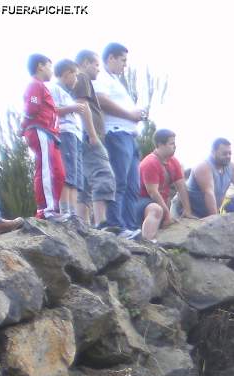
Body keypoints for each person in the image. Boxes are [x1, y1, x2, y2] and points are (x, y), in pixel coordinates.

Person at [93, 42, 146, 238]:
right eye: (122, 60)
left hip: (129, 136)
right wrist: (130, 115)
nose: (125, 65)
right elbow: (101, 100)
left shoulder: (115, 81)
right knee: (119, 181)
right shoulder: (102, 77)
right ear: (111, 58)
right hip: (116, 134)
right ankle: (116, 225)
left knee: (133, 186)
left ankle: (130, 226)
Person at [72, 49, 118, 228]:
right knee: (103, 175)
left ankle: (82, 225)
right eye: (96, 64)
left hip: (80, 137)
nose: (99, 69)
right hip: (89, 136)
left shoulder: (78, 80)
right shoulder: (82, 77)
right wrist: (92, 134)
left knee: (84, 183)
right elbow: (82, 104)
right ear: (85, 63)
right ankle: (101, 222)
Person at [21, 54, 65, 220]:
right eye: (49, 66)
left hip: (50, 134)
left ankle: (52, 207)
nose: (51, 71)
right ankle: (46, 210)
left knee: (58, 172)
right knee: (46, 169)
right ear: (40, 66)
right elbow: (31, 108)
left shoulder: (41, 86)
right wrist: (24, 125)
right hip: (40, 130)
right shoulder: (35, 85)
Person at [47, 59, 88, 216]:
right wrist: (72, 108)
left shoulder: (68, 94)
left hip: (75, 135)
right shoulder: (54, 89)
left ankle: (73, 211)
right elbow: (52, 110)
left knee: (76, 176)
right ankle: (65, 209)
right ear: (66, 74)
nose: (76, 80)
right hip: (65, 133)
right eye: (75, 76)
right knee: (68, 173)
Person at [186, 138, 234, 218]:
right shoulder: (203, 167)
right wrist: (215, 219)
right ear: (213, 152)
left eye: (230, 153)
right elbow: (209, 193)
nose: (228, 156)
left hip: (210, 213)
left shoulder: (232, 167)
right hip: (192, 215)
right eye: (224, 153)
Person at [137, 128, 192, 239]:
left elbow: (181, 187)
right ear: (160, 145)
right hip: (140, 203)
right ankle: (147, 243)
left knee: (160, 209)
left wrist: (187, 211)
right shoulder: (150, 163)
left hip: (160, 203)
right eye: (171, 143)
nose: (175, 146)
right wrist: (167, 215)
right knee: (156, 209)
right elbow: (153, 193)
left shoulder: (173, 161)